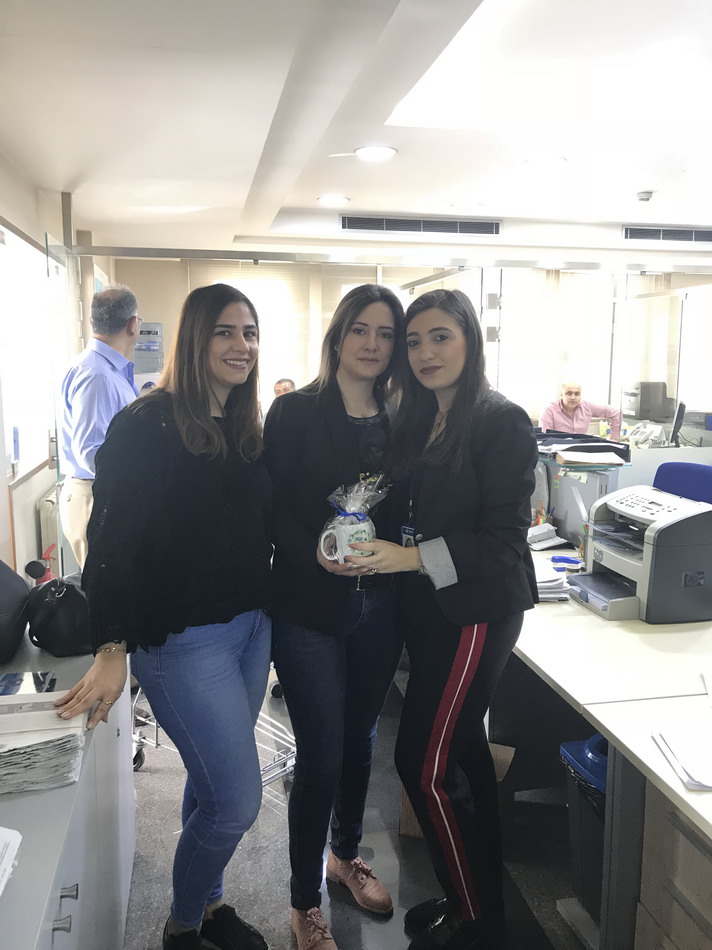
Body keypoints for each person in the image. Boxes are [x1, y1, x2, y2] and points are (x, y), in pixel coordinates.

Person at [55, 284, 273, 950]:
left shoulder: (244, 426)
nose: (241, 345)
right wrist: (112, 646)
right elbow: (111, 542)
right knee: (236, 802)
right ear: (195, 338)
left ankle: (209, 905)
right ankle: (181, 927)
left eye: (250, 332)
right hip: (182, 643)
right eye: (225, 331)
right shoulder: (147, 424)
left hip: (250, 629)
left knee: (210, 783)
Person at [348, 289, 538, 950]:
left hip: (474, 611)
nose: (425, 353)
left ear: (469, 342)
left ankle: (475, 920)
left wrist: (409, 557)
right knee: (461, 753)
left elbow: (504, 541)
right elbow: (404, 507)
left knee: (422, 764)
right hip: (428, 609)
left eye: (440, 337)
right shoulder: (419, 415)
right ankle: (477, 897)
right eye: (414, 341)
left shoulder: (500, 421)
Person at [263, 284, 406, 950]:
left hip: (380, 607)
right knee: (320, 754)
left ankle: (344, 857)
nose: (372, 344)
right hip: (308, 607)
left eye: (386, 333)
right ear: (338, 335)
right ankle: (303, 902)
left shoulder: (402, 418)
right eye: (361, 330)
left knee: (360, 740)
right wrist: (316, 552)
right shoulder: (294, 410)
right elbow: (272, 506)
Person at [58, 286, 141, 567]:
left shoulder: (106, 370)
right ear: (133, 324)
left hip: (102, 492)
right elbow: (91, 452)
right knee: (105, 588)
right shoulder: (97, 375)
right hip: (96, 496)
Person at [539, 381, 621, 440]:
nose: (573, 397)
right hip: (556, 453)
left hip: (581, 451)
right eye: (569, 393)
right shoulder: (549, 410)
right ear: (561, 395)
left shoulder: (587, 406)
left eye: (577, 394)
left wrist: (614, 439)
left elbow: (616, 413)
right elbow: (544, 438)